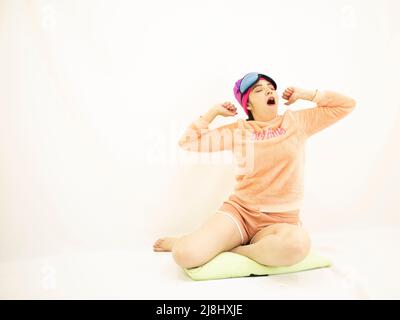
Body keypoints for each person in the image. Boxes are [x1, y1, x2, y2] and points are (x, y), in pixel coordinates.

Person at [153, 72, 356, 269]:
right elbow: (188, 142)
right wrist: (212, 113)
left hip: (282, 220)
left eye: (271, 88)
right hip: (240, 214)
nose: (269, 92)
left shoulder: (296, 122)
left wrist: (307, 95)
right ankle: (193, 241)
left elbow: (346, 105)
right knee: (185, 255)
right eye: (259, 90)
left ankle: (235, 250)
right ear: (248, 104)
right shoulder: (239, 131)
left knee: (297, 246)